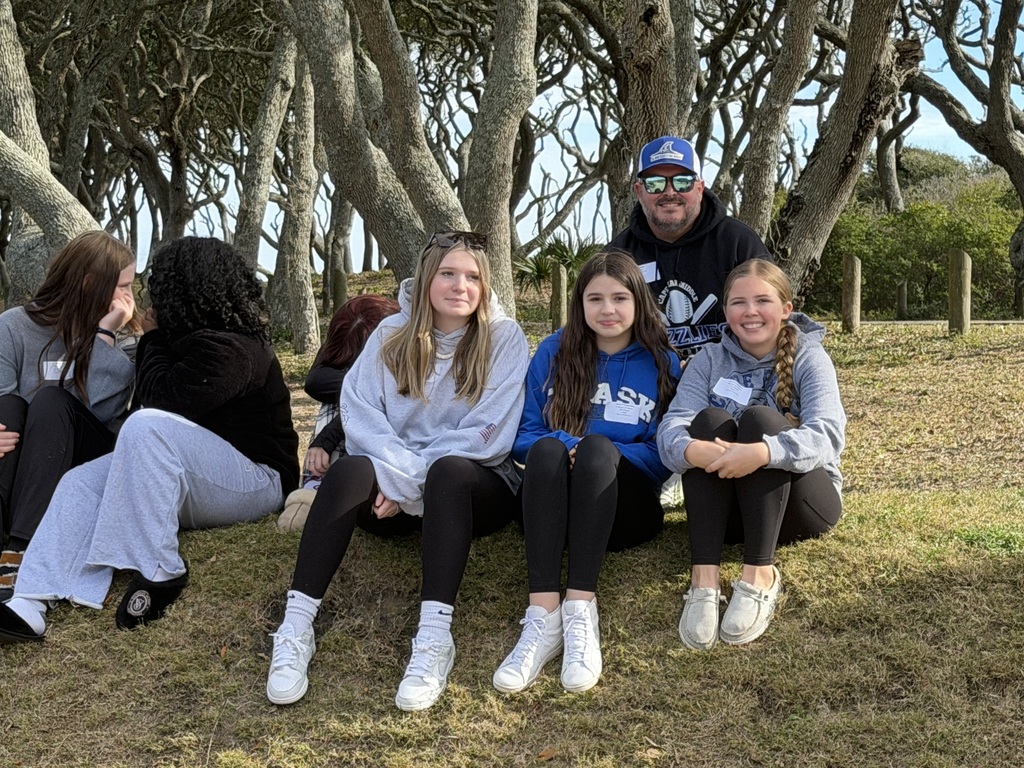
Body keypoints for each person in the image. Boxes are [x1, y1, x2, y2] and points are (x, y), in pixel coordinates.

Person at [264, 231, 529, 711]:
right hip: (394, 494)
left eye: (472, 277)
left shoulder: (504, 338)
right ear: (426, 278)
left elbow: (489, 433)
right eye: (448, 273)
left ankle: (433, 640)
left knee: (448, 471)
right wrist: (395, 476)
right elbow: (360, 413)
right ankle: (296, 626)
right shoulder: (390, 334)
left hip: (473, 489)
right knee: (348, 472)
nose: (461, 286)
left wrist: (406, 482)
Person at [0, 237, 299, 642]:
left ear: (186, 291)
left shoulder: (233, 349)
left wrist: (151, 337)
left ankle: (162, 569)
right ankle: (29, 601)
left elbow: (159, 401)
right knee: (79, 483)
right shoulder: (189, 342)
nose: (146, 299)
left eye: (159, 288)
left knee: (145, 426)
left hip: (258, 480)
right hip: (195, 479)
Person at [493, 251, 681, 695]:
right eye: (595, 298)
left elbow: (665, 452)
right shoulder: (553, 351)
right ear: (579, 303)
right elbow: (522, 435)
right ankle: (542, 616)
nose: (607, 309)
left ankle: (580, 611)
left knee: (597, 449)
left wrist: (603, 455)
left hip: (624, 512)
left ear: (638, 301)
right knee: (548, 448)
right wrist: (568, 446)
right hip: (553, 513)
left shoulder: (662, 360)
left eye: (619, 298)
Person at [656, 259, 845, 650]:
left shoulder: (810, 357)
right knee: (707, 421)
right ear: (726, 311)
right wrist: (691, 448)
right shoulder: (709, 360)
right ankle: (704, 581)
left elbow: (827, 435)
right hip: (728, 516)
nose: (750, 311)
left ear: (786, 308)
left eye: (763, 301)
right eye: (739, 302)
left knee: (760, 419)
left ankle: (760, 576)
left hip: (800, 508)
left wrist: (761, 452)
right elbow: (672, 425)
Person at [0, 231, 138, 600]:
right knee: (8, 407)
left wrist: (104, 336)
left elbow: (101, 411)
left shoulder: (125, 339)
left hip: (82, 463)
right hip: (21, 468)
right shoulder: (13, 326)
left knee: (51, 402)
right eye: (124, 286)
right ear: (91, 284)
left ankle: (20, 551)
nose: (131, 297)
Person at [609, 135, 771, 358]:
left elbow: (770, 320)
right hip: (648, 376)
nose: (669, 192)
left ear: (700, 188)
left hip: (731, 373)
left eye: (682, 181)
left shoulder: (738, 243)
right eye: (655, 183)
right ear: (639, 191)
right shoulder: (618, 255)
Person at [278, 295, 400, 533]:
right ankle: (313, 488)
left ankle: (329, 489)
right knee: (338, 401)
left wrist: (327, 437)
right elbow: (315, 381)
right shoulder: (349, 337)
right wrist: (359, 385)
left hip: (395, 452)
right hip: (352, 423)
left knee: (364, 403)